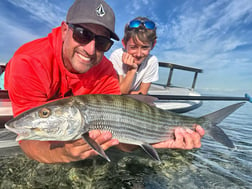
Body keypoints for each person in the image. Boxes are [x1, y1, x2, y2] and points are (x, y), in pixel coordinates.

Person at [4, 0, 204, 164]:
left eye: (101, 42)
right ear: (65, 30)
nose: (90, 49)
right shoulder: (29, 62)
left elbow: (120, 137)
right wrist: (64, 154)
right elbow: (27, 138)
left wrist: (156, 139)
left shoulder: (107, 72)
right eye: (82, 34)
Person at [110, 17, 158, 95]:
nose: (138, 54)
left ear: (153, 45)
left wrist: (130, 93)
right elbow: (120, 92)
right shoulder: (117, 55)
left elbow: (142, 93)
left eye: (145, 47)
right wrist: (132, 69)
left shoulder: (152, 61)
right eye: (133, 47)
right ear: (124, 44)